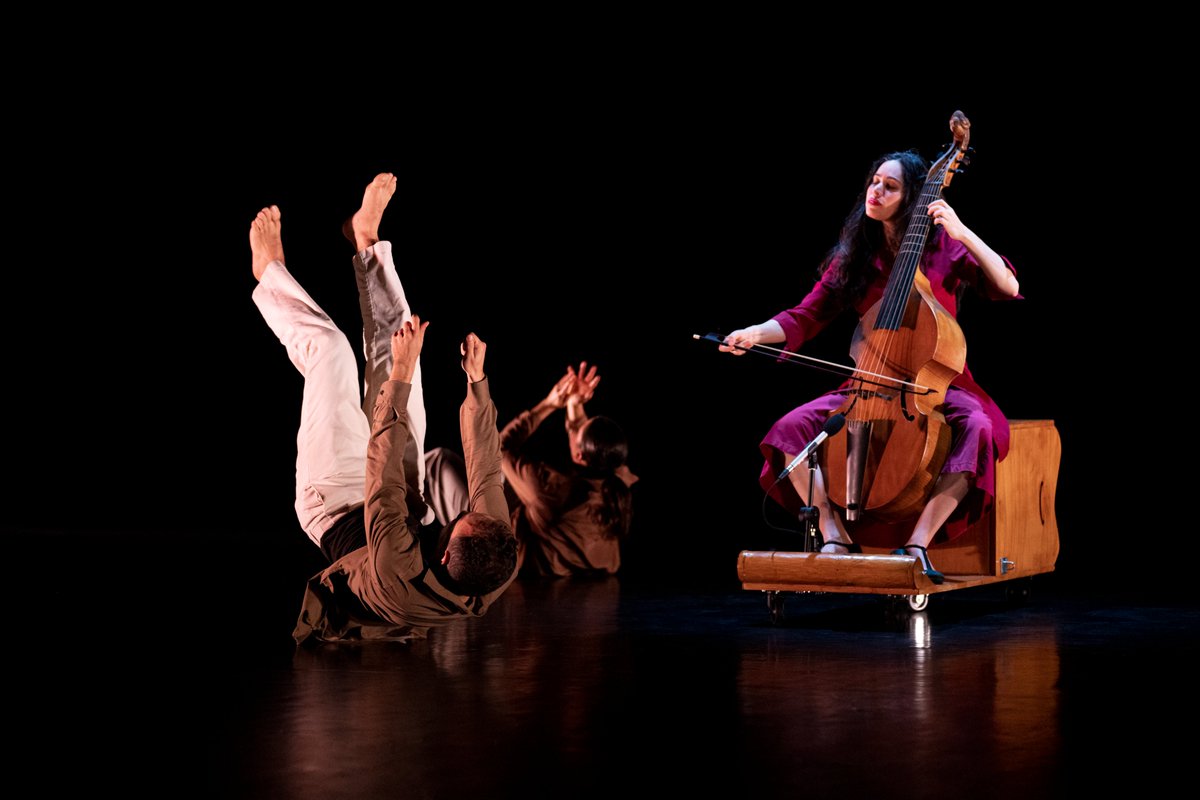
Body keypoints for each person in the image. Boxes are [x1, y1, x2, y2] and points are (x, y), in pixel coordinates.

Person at [720, 150, 1020, 583]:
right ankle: (833, 533)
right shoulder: (857, 256)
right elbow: (805, 315)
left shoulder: (943, 249)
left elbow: (1008, 286)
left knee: (979, 428)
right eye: (874, 182)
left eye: (890, 186)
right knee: (789, 432)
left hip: (935, 382)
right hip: (867, 381)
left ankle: (917, 543)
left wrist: (962, 231)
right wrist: (753, 333)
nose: (875, 191)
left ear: (913, 197)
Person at [249, 173, 517, 644]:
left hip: (334, 500)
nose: (460, 513)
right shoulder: (494, 556)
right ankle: (366, 240)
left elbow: (381, 476)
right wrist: (478, 383)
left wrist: (400, 376)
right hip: (397, 494)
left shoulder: (398, 561)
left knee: (330, 350)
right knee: (401, 335)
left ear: (439, 555)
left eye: (455, 523)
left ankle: (269, 271)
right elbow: (486, 470)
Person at [500, 362, 638, 577]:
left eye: (578, 430)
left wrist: (549, 404)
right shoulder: (620, 478)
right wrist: (574, 402)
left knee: (441, 460)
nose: (573, 428)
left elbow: (500, 447)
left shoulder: (551, 488)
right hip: (588, 570)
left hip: (521, 566)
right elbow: (583, 436)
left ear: (579, 455)